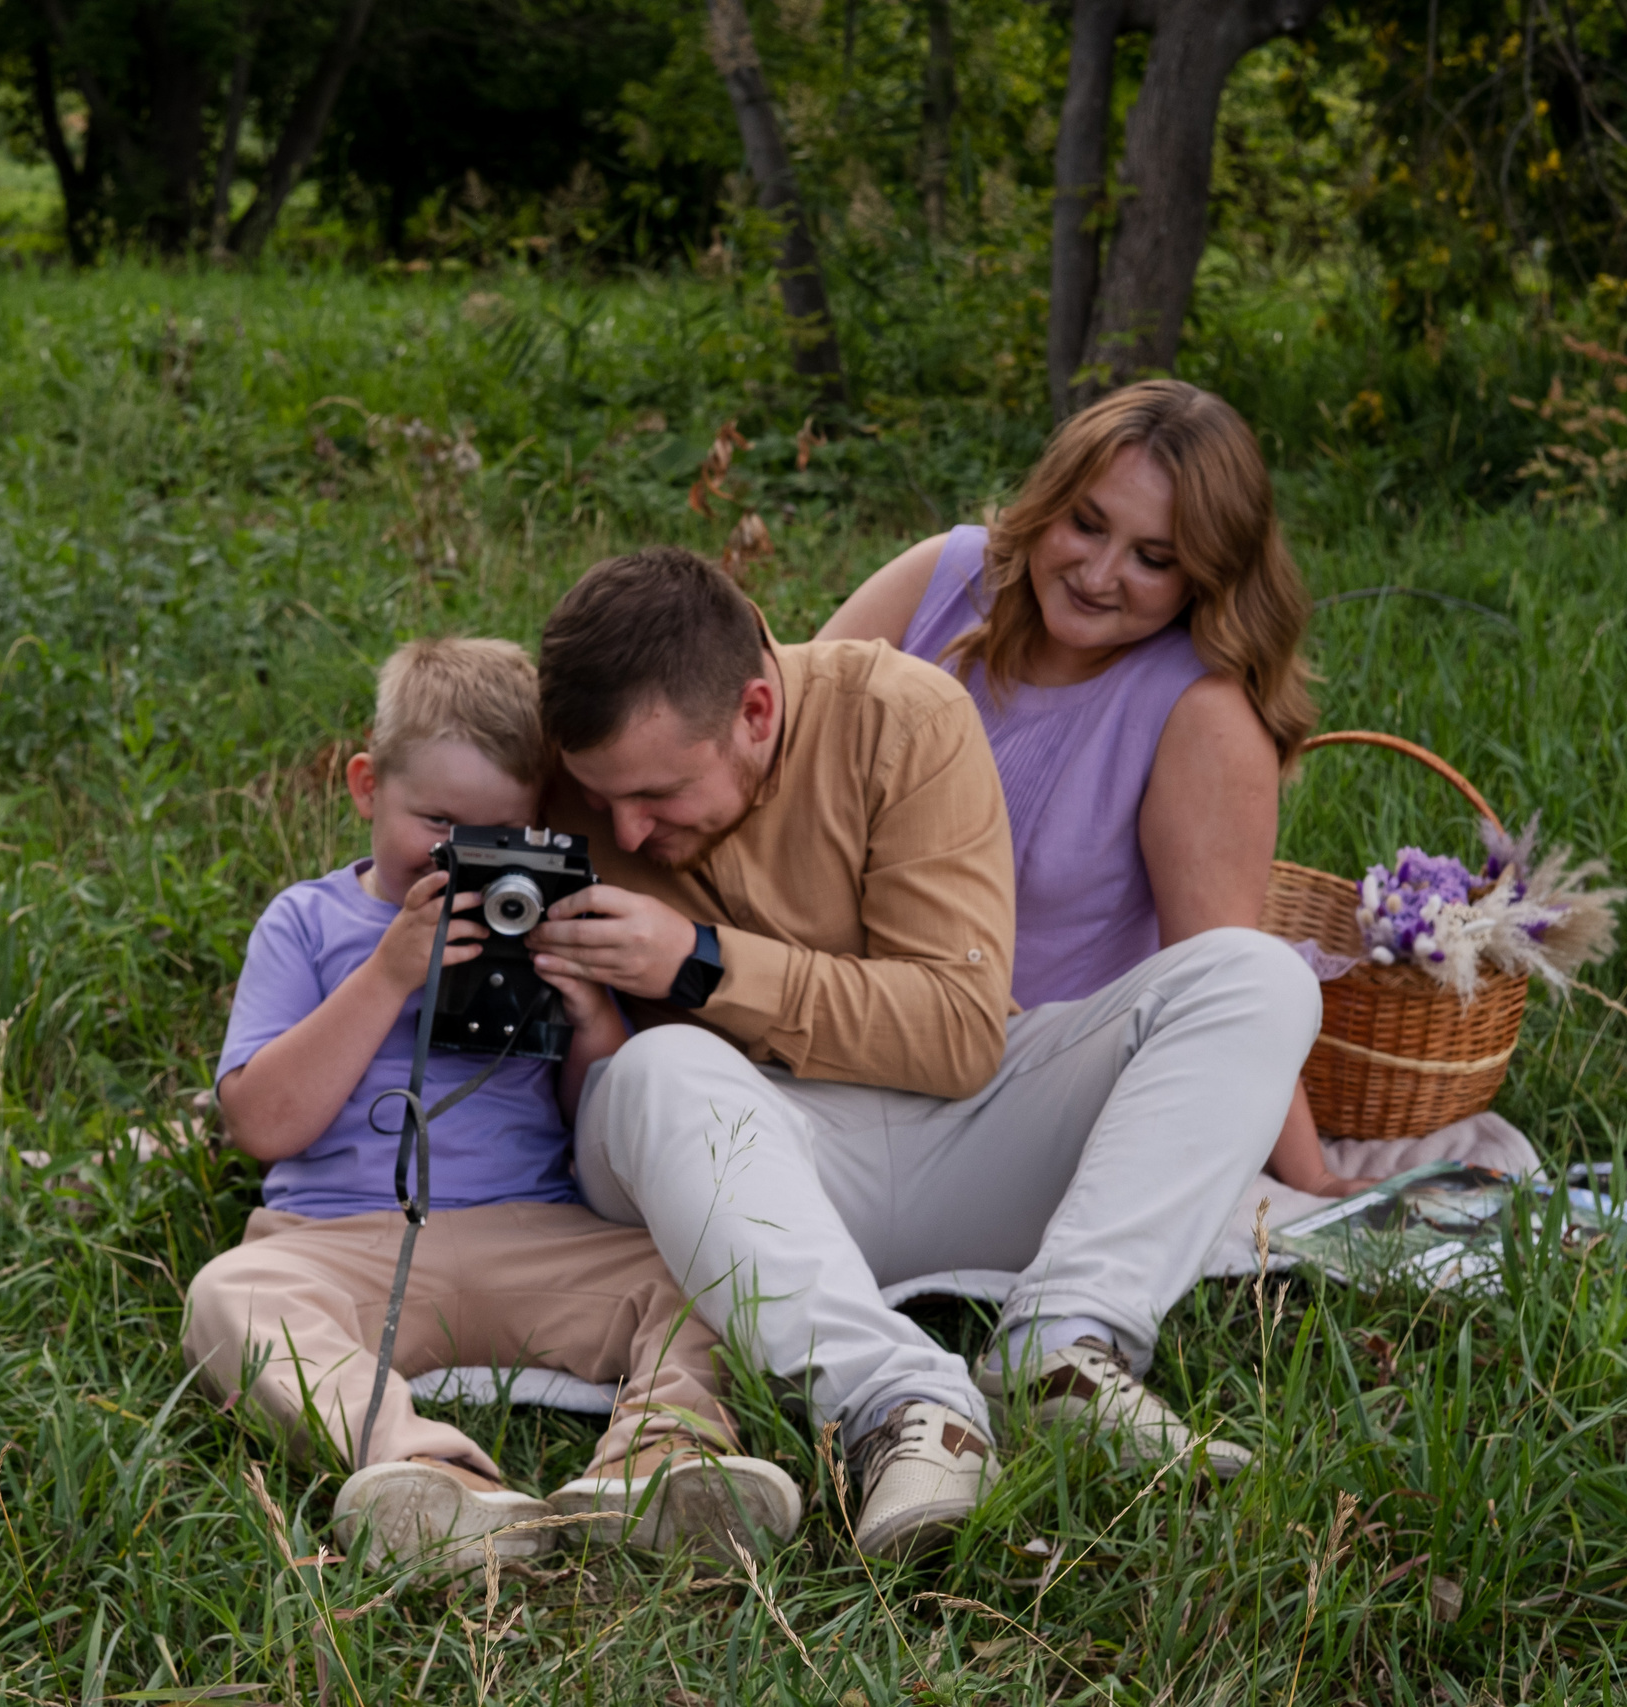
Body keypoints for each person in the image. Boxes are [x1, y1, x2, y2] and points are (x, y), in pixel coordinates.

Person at [524, 549, 1320, 1560]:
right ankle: (903, 1410)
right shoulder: (571, 783)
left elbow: (955, 1035)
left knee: (1251, 976)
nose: (625, 828)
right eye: (605, 799)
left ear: (757, 712)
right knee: (655, 1069)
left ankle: (1062, 1351)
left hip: (960, 1131)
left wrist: (700, 963)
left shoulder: (901, 715)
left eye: (657, 794)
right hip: (735, 1165)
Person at [182, 637, 801, 1572]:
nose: (461, 860)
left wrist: (590, 1011)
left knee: (709, 1267)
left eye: (497, 834)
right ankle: (421, 1473)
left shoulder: (546, 917)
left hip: (531, 1230)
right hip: (342, 1237)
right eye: (436, 820)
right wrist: (390, 969)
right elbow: (264, 1124)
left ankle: (662, 1461)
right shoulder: (308, 922)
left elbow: (611, 1127)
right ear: (364, 787)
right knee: (228, 1296)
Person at [817, 379, 1359, 1200]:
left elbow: (1227, 984)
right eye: (1087, 522)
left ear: (1204, 576)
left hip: (1008, 1089)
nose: (1099, 573)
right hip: (825, 1009)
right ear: (1051, 499)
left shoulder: (1200, 714)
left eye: (1154, 557)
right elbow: (772, 741)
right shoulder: (950, 574)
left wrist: (1312, 1177)